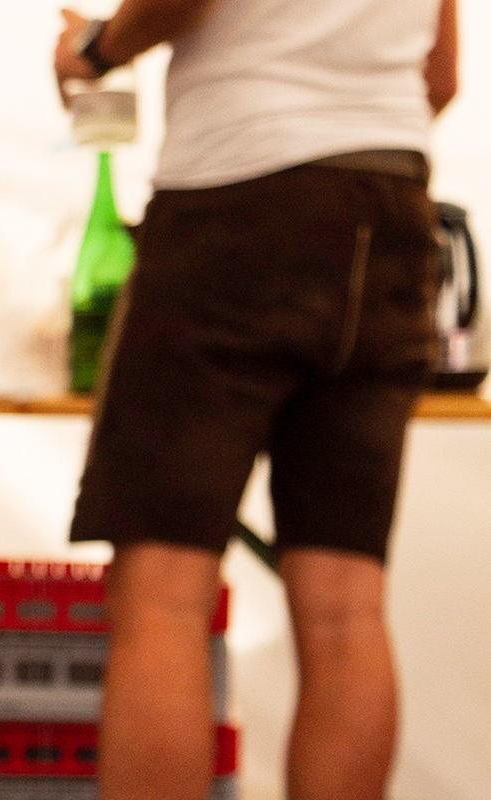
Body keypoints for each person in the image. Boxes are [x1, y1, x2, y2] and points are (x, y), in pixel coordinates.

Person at [53, 1, 457, 799]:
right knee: (345, 604)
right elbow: (440, 79)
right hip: (392, 202)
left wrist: (96, 49)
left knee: (163, 593)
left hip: (238, 196)